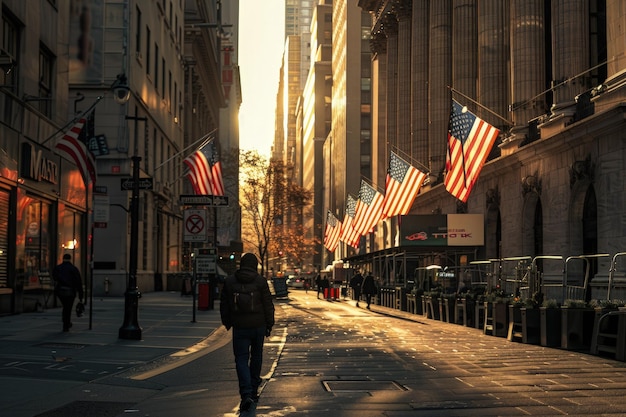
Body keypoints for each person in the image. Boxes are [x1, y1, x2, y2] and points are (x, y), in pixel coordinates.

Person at [220, 253, 275, 412]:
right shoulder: (260, 281)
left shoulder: (230, 281)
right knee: (256, 357)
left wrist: (227, 322)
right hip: (258, 326)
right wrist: (269, 324)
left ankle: (246, 394)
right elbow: (267, 304)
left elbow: (225, 304)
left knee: (241, 359)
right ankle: (254, 389)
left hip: (240, 326)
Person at [52, 254, 84, 332]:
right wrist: (81, 295)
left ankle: (65, 322)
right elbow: (78, 282)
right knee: (68, 307)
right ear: (70, 259)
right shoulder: (73, 269)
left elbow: (54, 277)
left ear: (63, 259)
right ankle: (66, 323)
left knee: (65, 306)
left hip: (60, 290)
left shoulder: (58, 268)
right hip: (70, 291)